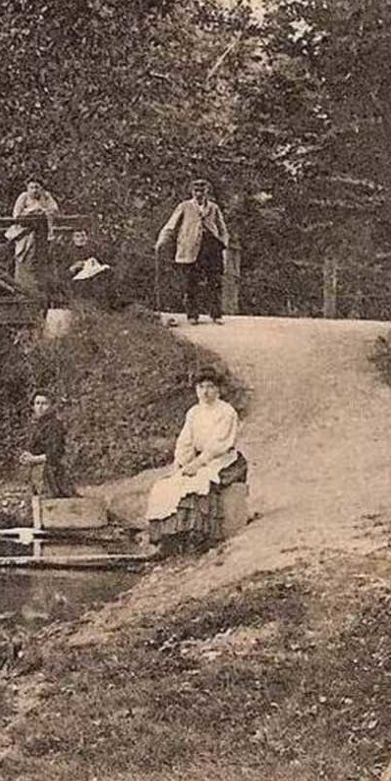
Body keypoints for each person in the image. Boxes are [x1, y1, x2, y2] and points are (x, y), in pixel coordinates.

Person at [144, 367, 248, 551]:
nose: (205, 392)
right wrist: (182, 462)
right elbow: (186, 441)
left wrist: (197, 464)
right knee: (167, 484)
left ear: (218, 389)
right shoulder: (193, 412)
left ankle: (198, 535)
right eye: (201, 387)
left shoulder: (226, 412)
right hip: (198, 458)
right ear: (196, 389)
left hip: (221, 458)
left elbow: (218, 445)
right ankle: (171, 537)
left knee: (198, 483)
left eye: (210, 387)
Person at [155, 178, 230, 324]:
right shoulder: (184, 206)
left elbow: (223, 229)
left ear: (207, 192)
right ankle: (192, 315)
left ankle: (216, 314)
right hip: (190, 248)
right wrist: (161, 241)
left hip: (211, 247)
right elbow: (171, 225)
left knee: (214, 280)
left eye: (202, 191)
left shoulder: (213, 208)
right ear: (192, 192)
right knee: (191, 281)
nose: (199, 194)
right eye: (196, 191)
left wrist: (223, 244)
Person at [8, 180, 60, 293]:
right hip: (26, 235)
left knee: (43, 262)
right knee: (25, 261)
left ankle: (42, 294)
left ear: (41, 188)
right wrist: (31, 213)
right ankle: (23, 292)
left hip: (43, 235)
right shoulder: (23, 197)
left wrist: (43, 211)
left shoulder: (46, 196)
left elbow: (55, 210)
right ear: (27, 188)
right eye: (31, 187)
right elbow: (16, 215)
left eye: (37, 187)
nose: (34, 190)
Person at [18, 391, 71, 500]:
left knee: (49, 505)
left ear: (51, 406)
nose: (40, 407)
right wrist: (26, 456)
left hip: (51, 473)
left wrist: (34, 459)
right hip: (37, 472)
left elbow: (55, 453)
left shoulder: (55, 425)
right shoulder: (37, 425)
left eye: (44, 403)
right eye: (37, 403)